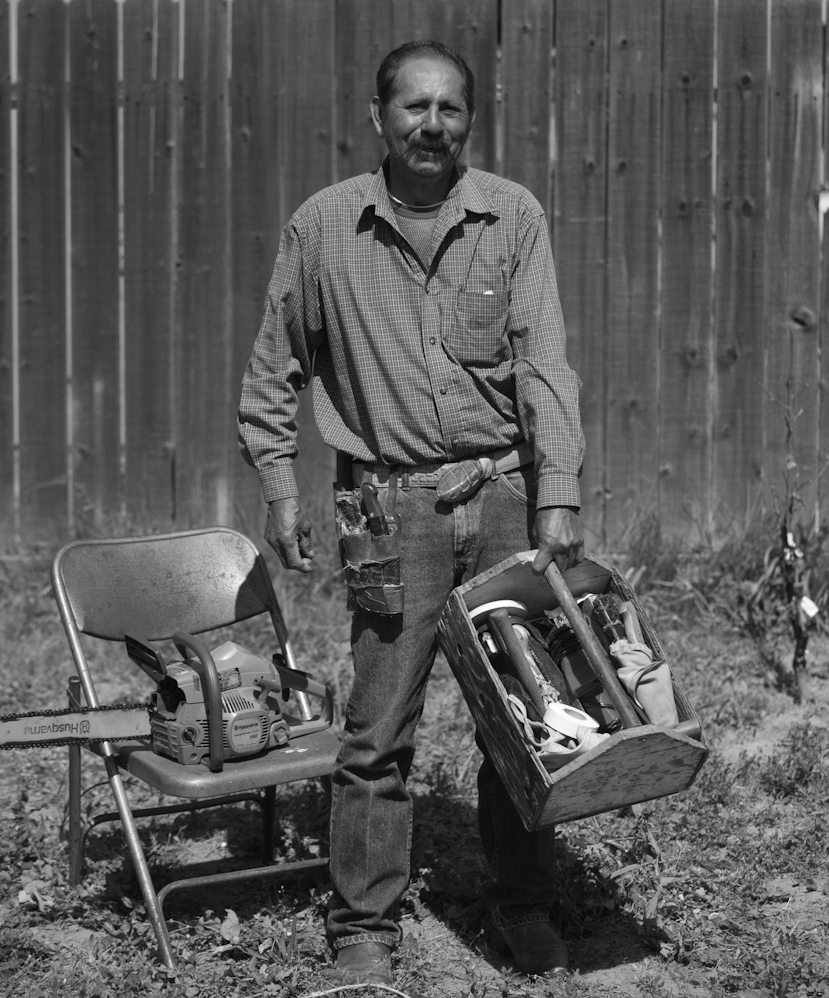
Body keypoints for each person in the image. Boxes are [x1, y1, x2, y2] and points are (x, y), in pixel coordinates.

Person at [238, 39, 585, 986]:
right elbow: (275, 371)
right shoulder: (323, 229)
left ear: (469, 120)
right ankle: (364, 926)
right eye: (413, 108)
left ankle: (523, 904)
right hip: (389, 506)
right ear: (378, 117)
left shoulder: (512, 216)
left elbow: (545, 363)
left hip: (505, 498)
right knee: (379, 723)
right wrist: (279, 486)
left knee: (526, 718)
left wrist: (557, 492)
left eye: (450, 111)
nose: (431, 126)